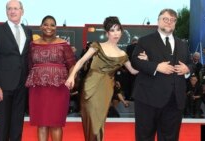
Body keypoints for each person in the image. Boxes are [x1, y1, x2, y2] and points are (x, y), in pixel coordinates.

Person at [65, 16, 146, 141]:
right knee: (92, 124)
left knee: (99, 123)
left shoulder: (122, 54)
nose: (116, 33)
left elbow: (133, 71)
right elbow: (81, 61)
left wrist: (144, 62)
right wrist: (71, 76)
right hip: (90, 87)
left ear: (121, 31)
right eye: (112, 30)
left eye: (118, 30)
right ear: (107, 33)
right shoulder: (97, 46)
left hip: (106, 89)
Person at [131, 9, 192, 141]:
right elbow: (135, 61)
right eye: (165, 19)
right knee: (144, 137)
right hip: (148, 99)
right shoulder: (145, 41)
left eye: (172, 20)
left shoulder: (183, 44)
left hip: (175, 101)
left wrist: (187, 69)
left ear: (175, 23)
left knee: (170, 137)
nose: (169, 22)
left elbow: (190, 64)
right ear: (158, 21)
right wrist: (156, 66)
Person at [0, 0, 32, 140]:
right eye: (9, 8)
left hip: (22, 85)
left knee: (18, 123)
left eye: (15, 8)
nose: (12, 11)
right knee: (4, 124)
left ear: (22, 11)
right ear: (6, 11)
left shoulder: (27, 31)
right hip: (3, 86)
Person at [25, 15, 76, 141]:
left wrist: (72, 78)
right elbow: (29, 65)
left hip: (59, 88)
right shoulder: (33, 45)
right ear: (41, 27)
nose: (49, 27)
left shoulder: (64, 44)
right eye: (46, 24)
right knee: (41, 123)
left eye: (52, 25)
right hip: (38, 88)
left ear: (56, 27)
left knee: (56, 123)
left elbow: (72, 65)